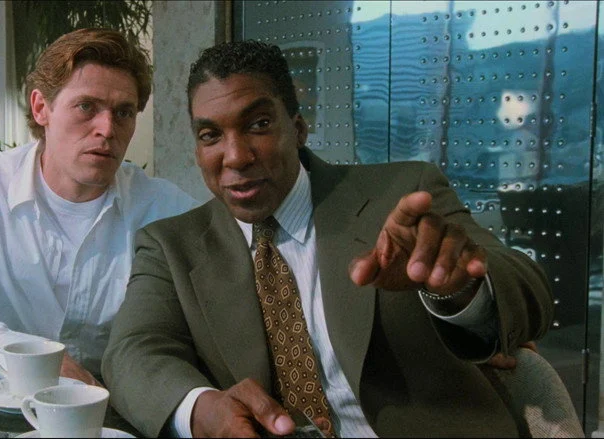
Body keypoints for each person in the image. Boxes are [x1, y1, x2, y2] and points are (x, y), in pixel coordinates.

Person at [102, 40, 553, 437]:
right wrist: (200, 409)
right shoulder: (171, 246)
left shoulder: (403, 194)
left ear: (298, 129)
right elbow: (131, 354)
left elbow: (529, 293)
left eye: (258, 124)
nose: (235, 156)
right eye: (210, 135)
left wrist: (460, 289)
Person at [0, 29, 198, 386]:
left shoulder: (166, 210)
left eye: (124, 112)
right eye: (86, 107)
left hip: (113, 405)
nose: (107, 129)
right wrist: (32, 357)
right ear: (41, 108)